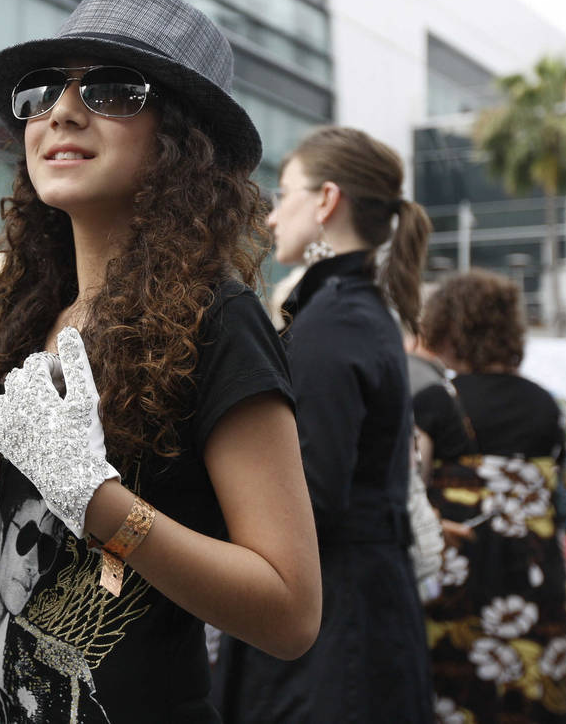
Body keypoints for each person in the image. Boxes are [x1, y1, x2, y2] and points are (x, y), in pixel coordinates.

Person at [0, 0, 322, 723]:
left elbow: (290, 611)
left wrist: (101, 500)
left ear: (182, 138)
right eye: (43, 90)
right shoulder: (33, 314)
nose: (62, 111)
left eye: (112, 89)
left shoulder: (219, 319)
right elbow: (53, 566)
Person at [218, 126, 435, 722]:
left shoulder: (334, 320)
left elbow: (306, 499)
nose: (269, 218)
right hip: (354, 616)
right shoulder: (355, 309)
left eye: (284, 194)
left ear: (326, 201)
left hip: (330, 636)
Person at [413, 269, 566, 722]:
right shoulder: (555, 408)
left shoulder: (435, 402)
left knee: (458, 701)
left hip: (456, 588)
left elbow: (410, 496)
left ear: (448, 328)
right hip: (537, 582)